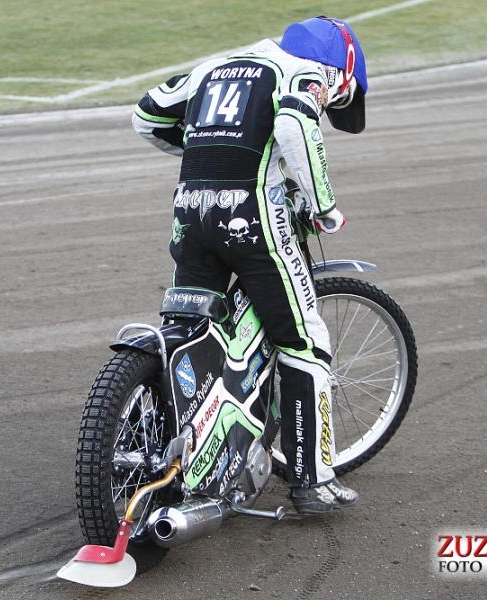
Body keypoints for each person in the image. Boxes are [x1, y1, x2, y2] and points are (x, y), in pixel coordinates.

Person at [132, 17, 368, 514]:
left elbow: (147, 114)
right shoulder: (304, 72)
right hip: (251, 219)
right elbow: (295, 126)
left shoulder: (214, 67)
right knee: (304, 340)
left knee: (190, 335)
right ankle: (313, 482)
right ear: (341, 68)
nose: (334, 100)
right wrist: (324, 206)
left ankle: (172, 450)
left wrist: (209, 146)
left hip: (189, 215)